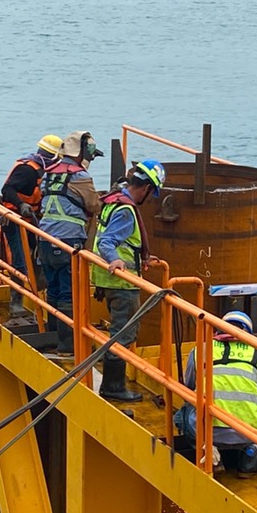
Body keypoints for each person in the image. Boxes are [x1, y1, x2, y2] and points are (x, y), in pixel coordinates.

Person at [89, 158, 166, 401]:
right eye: (152, 193)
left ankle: (112, 378)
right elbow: (107, 241)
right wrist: (117, 260)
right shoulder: (125, 210)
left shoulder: (114, 200)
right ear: (145, 188)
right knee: (123, 333)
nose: (150, 198)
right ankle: (113, 387)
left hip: (107, 280)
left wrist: (138, 255)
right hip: (122, 283)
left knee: (117, 329)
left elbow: (119, 240)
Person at [177, 309, 257, 474]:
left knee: (183, 414)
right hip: (249, 433)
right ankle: (252, 452)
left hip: (209, 432)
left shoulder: (202, 348)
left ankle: (212, 456)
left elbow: (189, 384)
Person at [36, 130, 103, 351]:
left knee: (53, 288)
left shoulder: (49, 172)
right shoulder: (81, 176)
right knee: (68, 291)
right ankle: (67, 344)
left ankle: (54, 335)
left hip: (45, 238)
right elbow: (94, 205)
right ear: (81, 152)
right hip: (69, 240)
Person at [0, 134, 63, 318]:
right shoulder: (27, 171)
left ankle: (37, 295)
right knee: (19, 260)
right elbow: (7, 190)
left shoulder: (45, 173)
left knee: (38, 257)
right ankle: (16, 302)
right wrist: (21, 204)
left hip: (32, 221)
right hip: (15, 220)